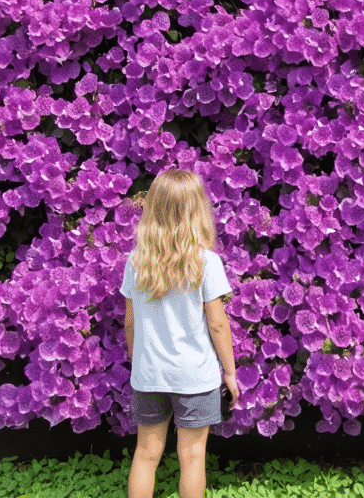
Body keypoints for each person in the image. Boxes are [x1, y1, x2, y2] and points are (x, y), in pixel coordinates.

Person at [122, 169, 239, 498]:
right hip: (195, 376)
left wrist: (138, 360)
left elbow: (130, 321)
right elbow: (217, 324)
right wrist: (229, 372)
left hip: (149, 375)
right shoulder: (206, 262)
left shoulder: (137, 261)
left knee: (145, 455)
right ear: (196, 209)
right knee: (192, 457)